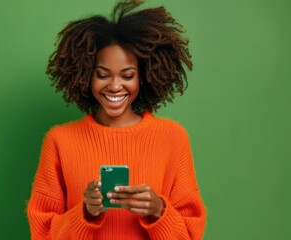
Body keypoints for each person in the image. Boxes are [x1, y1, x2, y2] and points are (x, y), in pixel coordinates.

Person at [27, 0, 207, 239]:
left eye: (127, 75)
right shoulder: (60, 141)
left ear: (143, 76)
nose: (114, 86)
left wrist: (158, 211)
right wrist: (86, 213)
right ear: (85, 76)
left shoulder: (172, 137)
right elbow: (42, 233)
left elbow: (190, 235)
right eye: (102, 75)